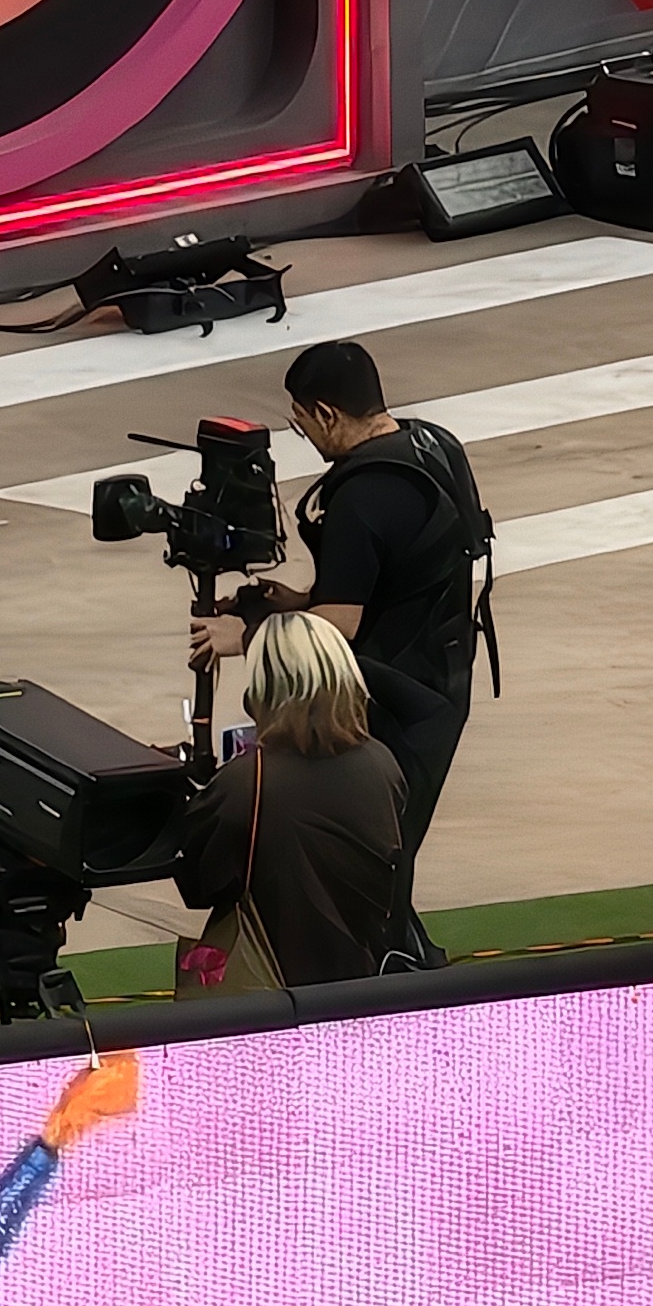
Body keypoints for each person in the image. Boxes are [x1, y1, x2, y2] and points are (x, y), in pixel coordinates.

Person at [184, 339, 488, 914]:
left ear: (326, 413)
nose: (306, 435)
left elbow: (339, 628)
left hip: (396, 696)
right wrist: (299, 601)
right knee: (391, 851)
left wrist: (247, 638)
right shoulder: (430, 445)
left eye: (302, 423)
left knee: (376, 860)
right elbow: (402, 571)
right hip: (443, 674)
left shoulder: (360, 496)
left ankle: (389, 957)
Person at [170, 613, 411, 988]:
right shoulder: (382, 764)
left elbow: (199, 885)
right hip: (364, 980)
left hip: (278, 988)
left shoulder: (247, 780)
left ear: (262, 691)